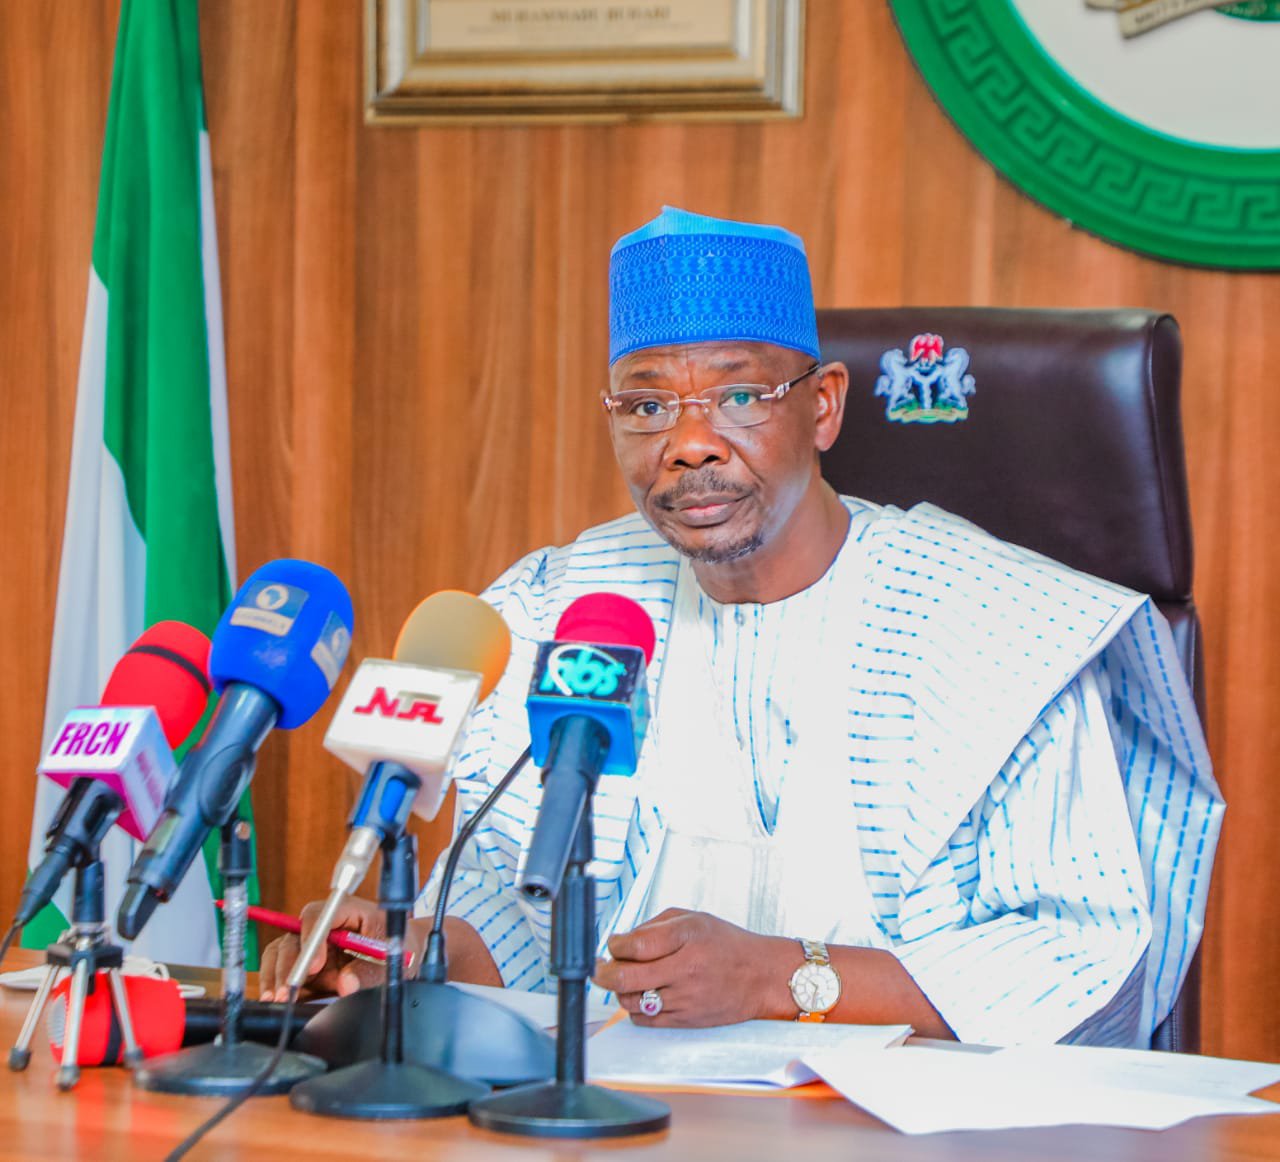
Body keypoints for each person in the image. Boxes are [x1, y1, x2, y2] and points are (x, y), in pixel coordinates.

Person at [260, 206, 1223, 1048]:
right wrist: (413, 956)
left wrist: (780, 978)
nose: (688, 444)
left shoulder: (998, 623)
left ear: (824, 406)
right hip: (625, 1111)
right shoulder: (559, 608)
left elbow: (1078, 956)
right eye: (646, 405)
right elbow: (519, 916)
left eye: (736, 396)